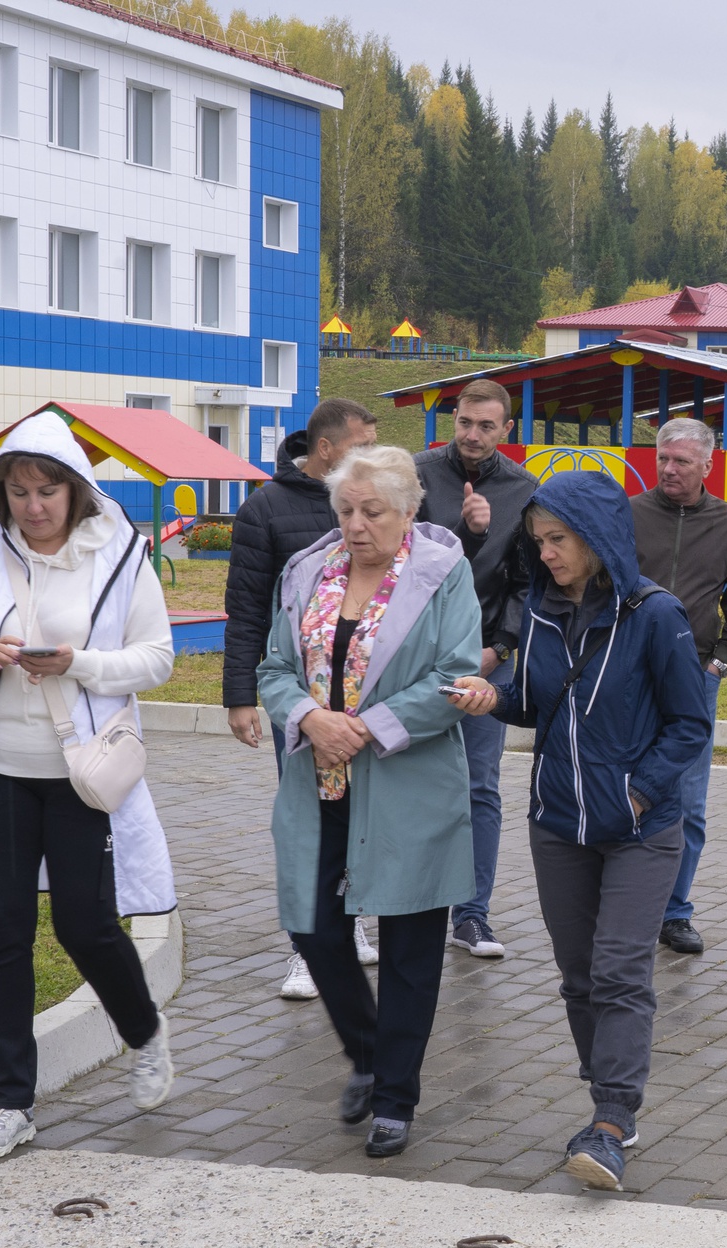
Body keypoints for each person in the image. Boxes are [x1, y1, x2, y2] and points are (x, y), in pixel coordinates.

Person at [0, 411, 178, 1160]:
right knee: (2, 931)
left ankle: (144, 1030)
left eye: (48, 491)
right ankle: (11, 1101)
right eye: (19, 491)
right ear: (0, 494)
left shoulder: (121, 555)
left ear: (78, 492)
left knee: (85, 924)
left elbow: (157, 658)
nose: (33, 506)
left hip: (81, 774)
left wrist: (80, 663)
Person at [455, 469, 709, 1191]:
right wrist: (489, 697)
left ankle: (610, 1118)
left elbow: (692, 723)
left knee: (620, 969)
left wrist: (641, 790)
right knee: (577, 976)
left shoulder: (655, 615)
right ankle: (611, 1101)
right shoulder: (536, 610)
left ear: (597, 536)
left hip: (639, 826)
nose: (548, 553)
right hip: (559, 822)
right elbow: (534, 700)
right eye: (539, 541)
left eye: (559, 539)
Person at [255, 445, 489, 1159]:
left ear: (410, 510)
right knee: (317, 928)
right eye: (346, 509)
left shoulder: (443, 573)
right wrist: (307, 716)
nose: (355, 525)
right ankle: (368, 1049)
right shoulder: (306, 571)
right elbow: (274, 666)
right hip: (318, 777)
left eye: (372, 511)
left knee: (413, 943)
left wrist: (365, 729)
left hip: (405, 782)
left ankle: (395, 1098)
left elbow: (454, 675)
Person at [223, 397, 383, 998]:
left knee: (364, 814)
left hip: (369, 693)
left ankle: (354, 922)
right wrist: (240, 696)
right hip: (301, 698)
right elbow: (243, 609)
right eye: (360, 443)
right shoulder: (267, 508)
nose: (370, 453)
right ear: (325, 449)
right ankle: (305, 946)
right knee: (308, 821)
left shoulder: (379, 504)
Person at [413, 378, 539, 960]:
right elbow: (407, 570)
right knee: (405, 782)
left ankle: (472, 915)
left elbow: (526, 583)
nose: (473, 435)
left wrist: (500, 650)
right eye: (465, 422)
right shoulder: (415, 476)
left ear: (507, 429)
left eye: (487, 426)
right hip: (412, 661)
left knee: (479, 787)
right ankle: (403, 905)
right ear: (453, 418)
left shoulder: (525, 491)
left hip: (489, 661)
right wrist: (470, 532)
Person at [629, 417, 727, 955]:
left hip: (695, 679)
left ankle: (675, 912)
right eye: (663, 458)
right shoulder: (630, 515)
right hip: (630, 677)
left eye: (682, 461)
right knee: (627, 788)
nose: (670, 469)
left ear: (709, 464)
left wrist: (722, 660)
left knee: (688, 801)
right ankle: (629, 904)